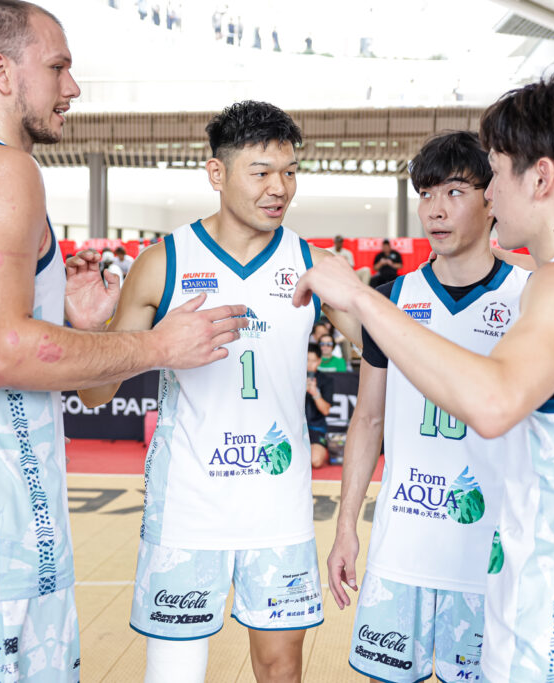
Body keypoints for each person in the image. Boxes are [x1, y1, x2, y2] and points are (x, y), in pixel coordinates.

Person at [0, 3, 246, 682]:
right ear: (0, 72)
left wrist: (65, 315)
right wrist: (158, 346)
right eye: (58, 67)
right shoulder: (2, 171)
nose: (73, 87)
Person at [295, 75, 554, 682]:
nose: (490, 193)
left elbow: (493, 403)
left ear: (541, 178)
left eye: (492, 174)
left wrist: (362, 301)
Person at [77, 100, 359, 683]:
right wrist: (90, 330)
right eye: (261, 172)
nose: (279, 188)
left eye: (290, 172)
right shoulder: (164, 262)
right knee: (174, 673)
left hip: (278, 506)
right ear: (217, 173)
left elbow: (387, 353)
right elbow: (97, 395)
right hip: (187, 507)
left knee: (281, 670)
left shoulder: (313, 265)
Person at [328, 130, 529, 683]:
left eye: (455, 192)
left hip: (491, 554)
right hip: (403, 547)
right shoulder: (391, 298)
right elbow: (368, 419)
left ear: (492, 198)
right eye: (426, 194)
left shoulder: (530, 296)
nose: (435, 210)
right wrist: (346, 526)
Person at [306, 342, 334, 468]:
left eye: (313, 361)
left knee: (316, 461)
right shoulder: (293, 377)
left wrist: (315, 393)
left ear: (318, 361)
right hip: (295, 427)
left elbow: (326, 411)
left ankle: (319, 448)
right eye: (306, 360)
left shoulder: (326, 380)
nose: (309, 364)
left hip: (316, 428)